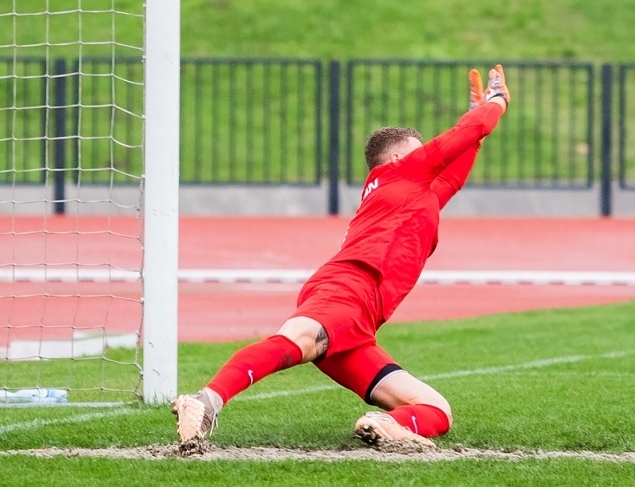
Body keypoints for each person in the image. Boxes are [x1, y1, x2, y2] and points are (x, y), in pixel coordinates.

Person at [172, 65, 511, 451]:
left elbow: (454, 172)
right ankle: (206, 401)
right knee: (297, 339)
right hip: (349, 288)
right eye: (422, 154)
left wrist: (476, 126)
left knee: (436, 409)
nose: (432, 160)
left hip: (360, 322)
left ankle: (384, 424)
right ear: (399, 157)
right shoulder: (404, 175)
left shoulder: (413, 194)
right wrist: (494, 104)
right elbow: (468, 132)